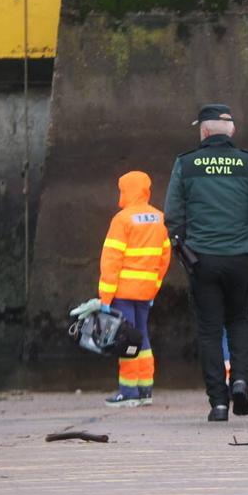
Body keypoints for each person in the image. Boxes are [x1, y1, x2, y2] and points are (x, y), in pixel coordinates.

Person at [164, 103, 248, 423]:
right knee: (239, 322)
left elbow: (173, 215)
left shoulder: (186, 163)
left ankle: (218, 404)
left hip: (202, 259)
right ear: (231, 130)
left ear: (204, 131)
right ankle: (240, 382)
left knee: (209, 330)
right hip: (241, 259)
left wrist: (182, 250)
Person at [97, 170, 171, 408]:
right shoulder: (160, 218)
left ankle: (128, 392)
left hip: (123, 292)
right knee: (142, 337)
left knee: (125, 339)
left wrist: (105, 297)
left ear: (127, 191)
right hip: (145, 292)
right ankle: (145, 389)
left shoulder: (122, 220)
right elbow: (164, 259)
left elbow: (111, 260)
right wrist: (154, 288)